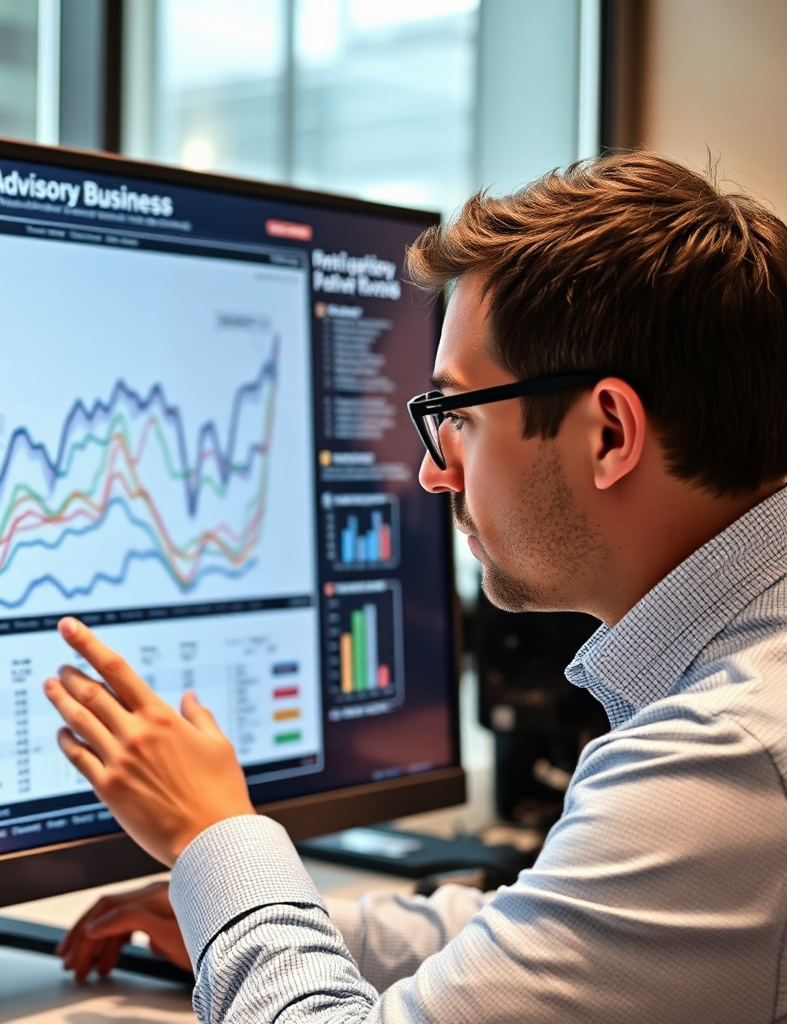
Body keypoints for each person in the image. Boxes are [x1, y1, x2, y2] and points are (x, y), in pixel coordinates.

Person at [42, 151, 787, 1023]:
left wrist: (214, 838)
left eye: (458, 417)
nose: (435, 477)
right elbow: (577, 936)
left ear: (609, 432)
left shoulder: (726, 757)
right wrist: (244, 919)